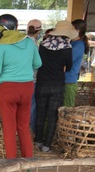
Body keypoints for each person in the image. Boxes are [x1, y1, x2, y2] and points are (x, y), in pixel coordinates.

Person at [0, 13, 42, 159]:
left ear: (4, 30)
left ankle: (11, 168)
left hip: (8, 89)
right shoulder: (30, 42)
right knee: (24, 127)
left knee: (9, 130)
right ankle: (28, 164)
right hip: (27, 88)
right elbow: (38, 64)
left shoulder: (1, 46)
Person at [33, 20, 76, 153]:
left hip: (42, 83)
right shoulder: (67, 45)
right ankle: (46, 146)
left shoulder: (43, 44)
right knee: (52, 115)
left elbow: (38, 62)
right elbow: (69, 66)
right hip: (57, 84)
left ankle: (38, 141)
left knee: (40, 113)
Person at [64, 19, 89, 107]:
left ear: (77, 31)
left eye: (71, 29)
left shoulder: (78, 45)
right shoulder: (71, 42)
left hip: (69, 80)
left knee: (67, 108)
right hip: (64, 79)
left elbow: (67, 60)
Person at [26, 18, 42, 132]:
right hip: (32, 80)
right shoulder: (34, 44)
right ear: (39, 31)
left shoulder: (21, 41)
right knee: (31, 107)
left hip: (20, 80)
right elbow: (37, 64)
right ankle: (30, 132)